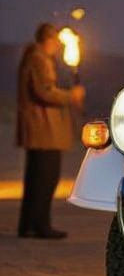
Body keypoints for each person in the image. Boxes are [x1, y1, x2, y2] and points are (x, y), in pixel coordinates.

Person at [16, 22, 84, 239]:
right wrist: (70, 96)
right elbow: (44, 92)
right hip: (44, 129)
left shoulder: (36, 58)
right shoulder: (38, 59)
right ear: (49, 40)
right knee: (45, 179)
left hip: (41, 130)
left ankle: (28, 225)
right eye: (56, 41)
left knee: (36, 178)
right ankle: (40, 225)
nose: (57, 46)